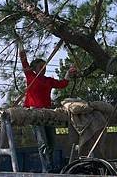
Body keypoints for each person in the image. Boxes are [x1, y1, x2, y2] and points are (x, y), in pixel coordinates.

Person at [19, 45, 76, 173]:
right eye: (41, 67)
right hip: (35, 113)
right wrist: (20, 44)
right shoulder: (30, 76)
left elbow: (62, 84)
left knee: (52, 143)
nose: (43, 69)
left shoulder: (48, 80)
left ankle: (50, 165)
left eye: (44, 67)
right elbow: (23, 60)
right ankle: (47, 169)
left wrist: (68, 74)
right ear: (35, 68)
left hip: (47, 113)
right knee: (43, 143)